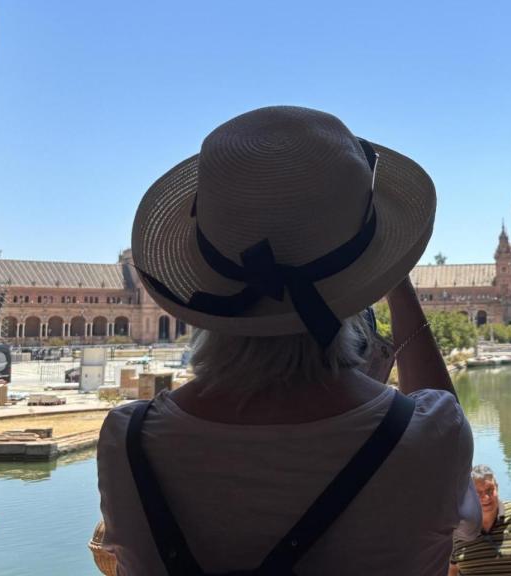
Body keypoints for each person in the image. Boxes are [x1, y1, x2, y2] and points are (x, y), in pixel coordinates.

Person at [97, 106, 480, 575]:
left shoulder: (127, 441)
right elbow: (467, 519)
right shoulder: (427, 435)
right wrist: (393, 281)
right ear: (367, 276)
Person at [450, 465, 511, 575]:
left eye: (490, 490)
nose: (486, 497)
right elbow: (451, 568)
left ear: (497, 487)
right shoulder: (458, 528)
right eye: (478, 493)